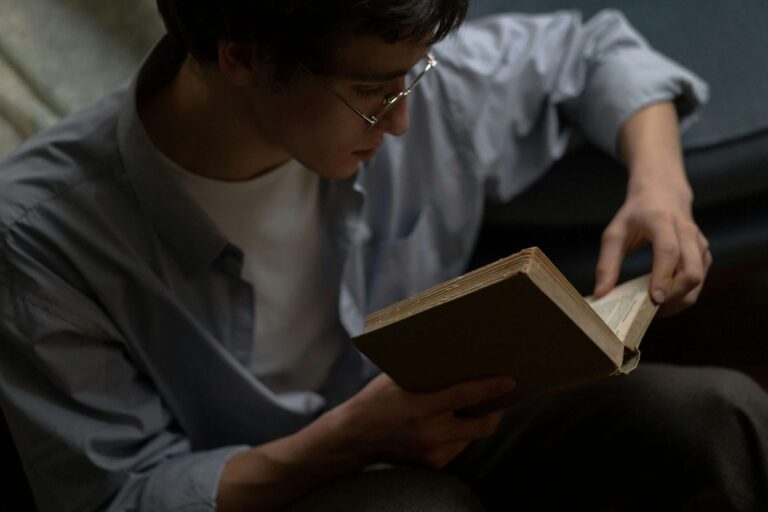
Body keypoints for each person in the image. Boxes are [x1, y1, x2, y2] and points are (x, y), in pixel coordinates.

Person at [0, 1, 766, 510]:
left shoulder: (409, 85)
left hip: (452, 424)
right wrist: (347, 442)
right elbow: (117, 497)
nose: (401, 121)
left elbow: (592, 50)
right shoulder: (38, 235)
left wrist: (661, 188)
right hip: (282, 485)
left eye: (413, 76)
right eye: (373, 92)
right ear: (242, 57)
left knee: (715, 420)